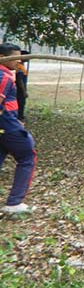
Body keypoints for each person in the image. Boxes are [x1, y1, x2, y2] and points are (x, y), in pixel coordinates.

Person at [0, 43, 37, 214]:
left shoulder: (7, 74)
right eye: (14, 57)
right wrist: (12, 123)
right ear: (3, 57)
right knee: (27, 154)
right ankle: (14, 203)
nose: (19, 60)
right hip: (6, 125)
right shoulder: (4, 76)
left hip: (7, 123)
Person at [15, 50, 29, 121]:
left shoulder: (22, 65)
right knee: (20, 103)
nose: (29, 58)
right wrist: (24, 91)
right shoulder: (19, 66)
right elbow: (19, 80)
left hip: (21, 89)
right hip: (19, 90)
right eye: (27, 56)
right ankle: (19, 118)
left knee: (21, 103)